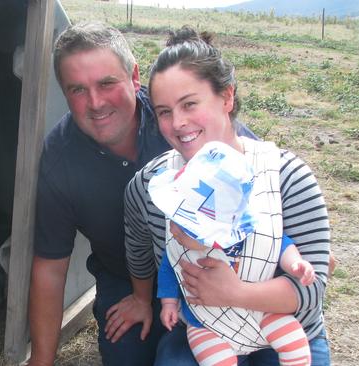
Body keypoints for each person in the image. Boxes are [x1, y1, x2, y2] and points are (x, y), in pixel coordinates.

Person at [27, 21, 258, 366]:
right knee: (128, 356)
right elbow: (50, 265)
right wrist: (41, 361)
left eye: (107, 83)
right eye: (77, 90)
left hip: (211, 269)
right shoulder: (61, 158)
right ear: (64, 94)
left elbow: (258, 176)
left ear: (134, 77)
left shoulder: (177, 119)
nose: (95, 102)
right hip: (124, 276)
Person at [124, 26, 332, 365]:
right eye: (164, 111)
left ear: (227, 98)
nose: (177, 123)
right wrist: (145, 298)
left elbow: (309, 291)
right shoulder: (150, 187)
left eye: (190, 104)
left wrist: (235, 292)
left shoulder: (287, 176)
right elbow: (140, 255)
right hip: (206, 328)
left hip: (281, 327)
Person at [151, 141, 315, 366]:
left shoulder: (252, 234)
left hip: (261, 310)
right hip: (204, 322)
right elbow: (169, 269)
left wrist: (296, 263)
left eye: (184, 228)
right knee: (214, 359)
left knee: (294, 341)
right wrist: (168, 304)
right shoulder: (179, 246)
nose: (173, 231)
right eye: (174, 221)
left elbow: (281, 245)